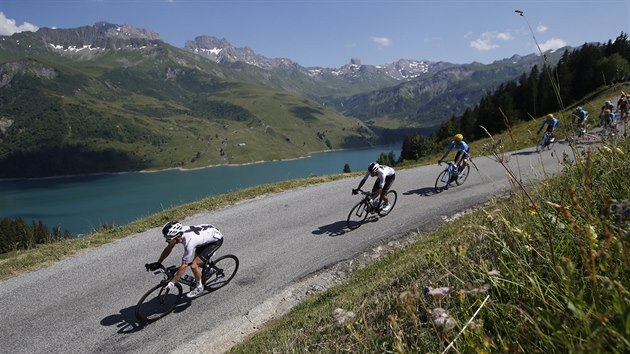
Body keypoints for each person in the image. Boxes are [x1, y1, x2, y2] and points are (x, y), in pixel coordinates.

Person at [146, 220, 224, 298]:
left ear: (177, 236)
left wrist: (172, 282)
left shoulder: (189, 243)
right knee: (199, 261)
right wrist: (158, 263)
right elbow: (169, 248)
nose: (166, 240)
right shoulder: (178, 234)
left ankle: (199, 287)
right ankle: (209, 270)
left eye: (169, 239)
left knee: (194, 265)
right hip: (205, 235)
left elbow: (184, 266)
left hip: (215, 240)